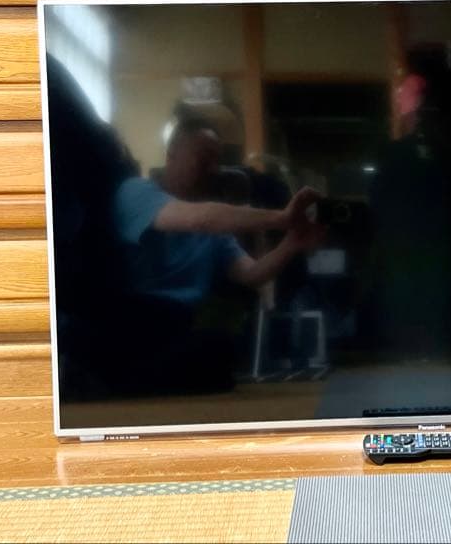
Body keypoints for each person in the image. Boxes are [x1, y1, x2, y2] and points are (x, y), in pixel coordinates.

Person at [107, 111, 325, 394]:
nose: (213, 168)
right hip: (129, 321)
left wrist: (292, 243)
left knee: (216, 350)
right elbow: (198, 219)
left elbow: (251, 273)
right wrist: (281, 218)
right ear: (172, 154)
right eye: (203, 157)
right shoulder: (136, 192)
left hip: (179, 325)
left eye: (217, 160)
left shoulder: (216, 227)